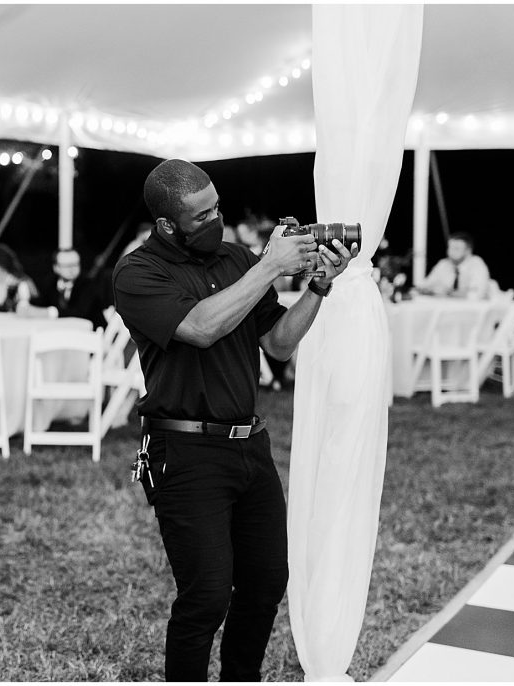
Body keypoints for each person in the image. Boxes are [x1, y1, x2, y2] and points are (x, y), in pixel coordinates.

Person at [112, 158, 356, 681]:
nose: (216, 218)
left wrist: (317, 286)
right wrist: (269, 266)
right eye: (203, 215)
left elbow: (280, 344)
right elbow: (199, 327)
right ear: (167, 225)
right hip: (184, 452)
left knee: (267, 582)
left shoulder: (237, 258)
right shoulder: (138, 273)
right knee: (205, 597)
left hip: (250, 446)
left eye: (217, 206)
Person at [30, 248, 106, 329]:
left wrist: (50, 312)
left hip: (92, 332)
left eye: (75, 264)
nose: (71, 269)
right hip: (60, 331)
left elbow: (81, 312)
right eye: (67, 266)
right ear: (56, 267)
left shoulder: (88, 284)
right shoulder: (50, 282)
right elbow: (41, 302)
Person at [417, 232, 491, 298]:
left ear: (468, 251)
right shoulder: (443, 264)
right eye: (450, 248)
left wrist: (449, 293)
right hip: (446, 308)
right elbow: (424, 286)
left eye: (456, 248)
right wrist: (429, 290)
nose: (451, 252)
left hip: (472, 310)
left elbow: (476, 294)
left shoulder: (476, 264)